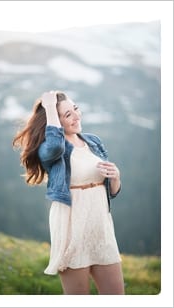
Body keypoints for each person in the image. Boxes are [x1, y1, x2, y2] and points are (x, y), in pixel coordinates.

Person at [12, 90, 124, 295]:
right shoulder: (50, 148)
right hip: (71, 225)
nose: (76, 116)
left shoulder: (93, 141)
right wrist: (49, 108)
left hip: (101, 226)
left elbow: (112, 191)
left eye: (75, 109)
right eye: (67, 115)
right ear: (55, 120)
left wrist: (116, 177)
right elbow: (55, 144)